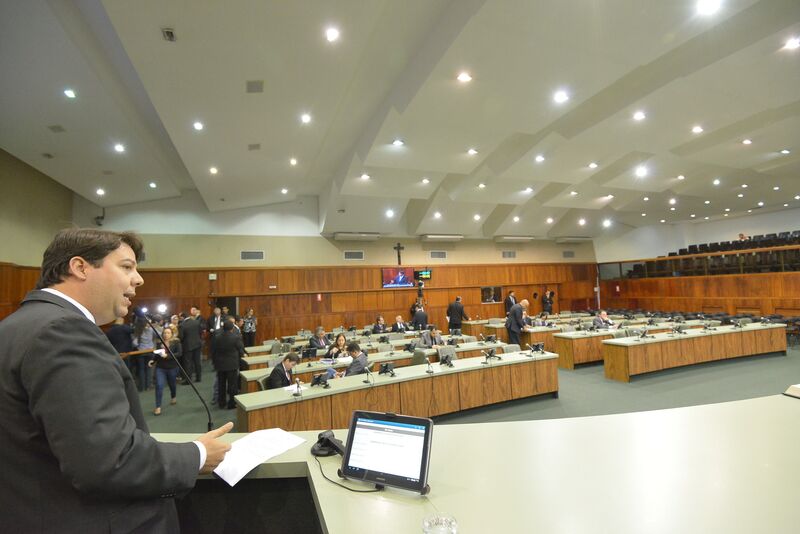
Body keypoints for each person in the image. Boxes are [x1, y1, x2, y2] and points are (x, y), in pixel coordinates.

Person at [0, 228, 232, 533]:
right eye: (126, 267)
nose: (139, 279)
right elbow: (109, 461)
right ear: (80, 267)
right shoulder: (63, 332)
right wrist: (197, 454)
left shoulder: (16, 325)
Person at [149, 325, 181, 415]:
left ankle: (173, 396)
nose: (166, 335)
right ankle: (158, 407)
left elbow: (179, 353)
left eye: (168, 333)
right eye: (165, 333)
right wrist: (152, 361)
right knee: (159, 385)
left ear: (171, 334)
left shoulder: (176, 342)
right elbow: (157, 354)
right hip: (160, 367)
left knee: (172, 385)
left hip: (172, 367)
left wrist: (167, 356)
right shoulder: (159, 343)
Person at [211, 321, 244, 409]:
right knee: (232, 385)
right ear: (232, 328)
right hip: (232, 365)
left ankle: (221, 403)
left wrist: (214, 363)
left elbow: (213, 351)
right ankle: (231, 403)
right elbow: (240, 349)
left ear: (223, 328)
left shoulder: (217, 337)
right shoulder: (236, 337)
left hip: (220, 365)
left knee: (221, 384)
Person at [132, 314, 157, 391]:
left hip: (140, 352)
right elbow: (157, 335)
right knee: (149, 369)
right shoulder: (151, 329)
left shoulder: (138, 330)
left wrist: (138, 346)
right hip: (150, 351)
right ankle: (148, 386)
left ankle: (142, 387)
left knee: (141, 369)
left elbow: (134, 343)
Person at [179, 305, 203, 383]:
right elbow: (200, 332)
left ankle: (188, 380)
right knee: (197, 362)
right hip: (198, 344)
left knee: (188, 363)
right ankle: (198, 377)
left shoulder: (182, 325)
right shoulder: (196, 322)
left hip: (188, 346)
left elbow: (181, 337)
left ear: (183, 317)